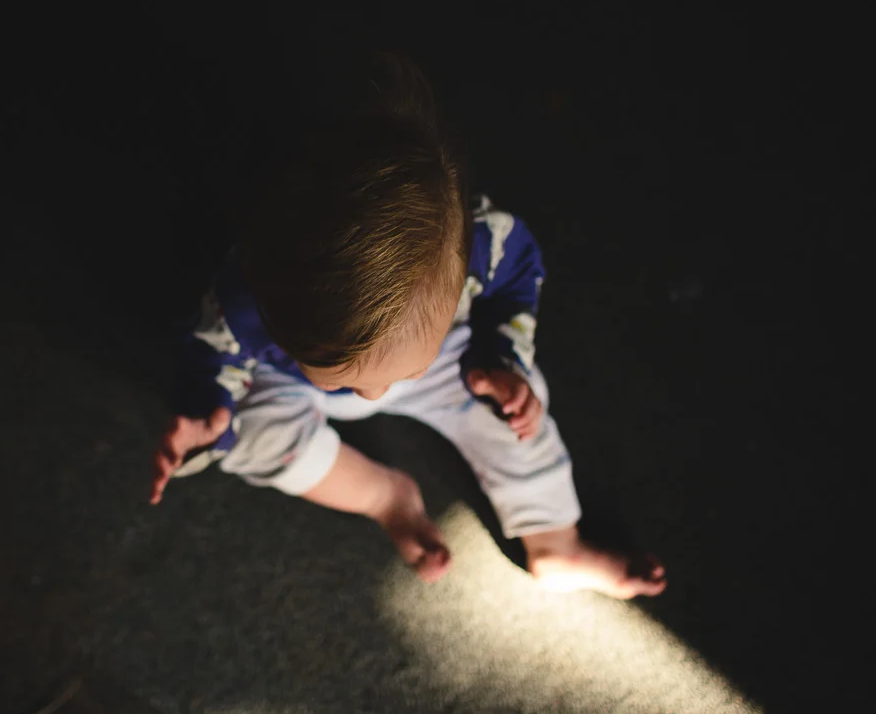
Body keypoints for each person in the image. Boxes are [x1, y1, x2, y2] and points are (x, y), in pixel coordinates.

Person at [149, 54, 665, 598]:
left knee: (517, 405)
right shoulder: (248, 300)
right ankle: (384, 497)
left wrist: (501, 357)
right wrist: (207, 406)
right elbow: (211, 353)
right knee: (243, 432)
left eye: (396, 374)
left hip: (453, 364)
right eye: (344, 376)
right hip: (291, 381)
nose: (373, 394)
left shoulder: (481, 246)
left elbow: (517, 280)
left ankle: (556, 539)